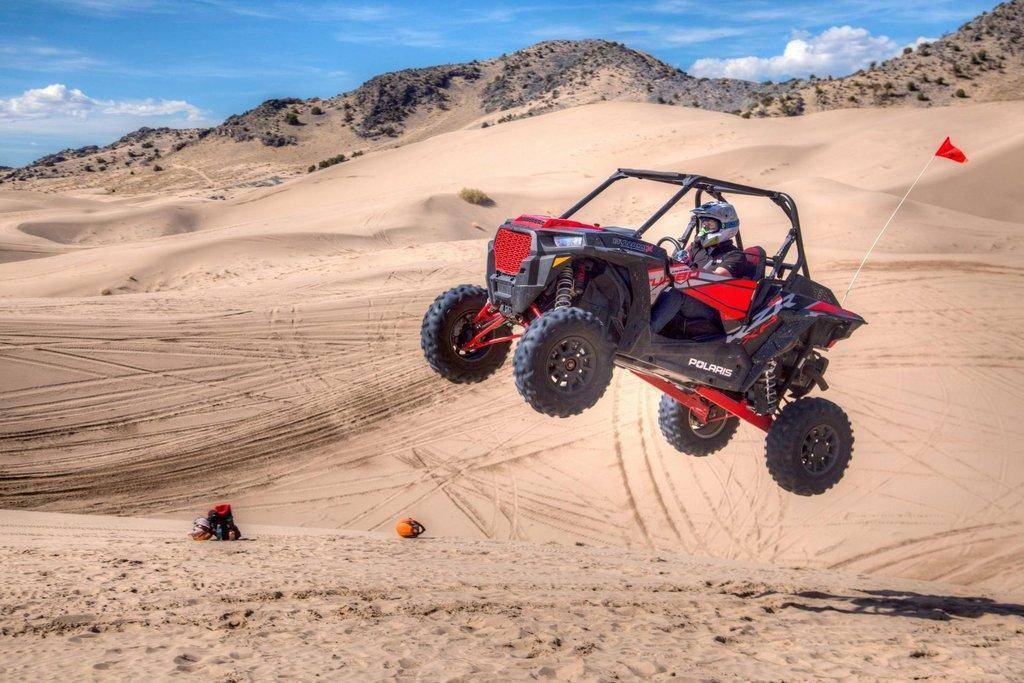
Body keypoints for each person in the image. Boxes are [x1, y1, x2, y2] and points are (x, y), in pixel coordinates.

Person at [677, 201, 751, 278]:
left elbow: (719, 277)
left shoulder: (735, 255)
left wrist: (689, 267)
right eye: (704, 223)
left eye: (710, 224)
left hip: (710, 289)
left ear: (725, 225)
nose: (705, 228)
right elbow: (680, 261)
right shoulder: (697, 247)